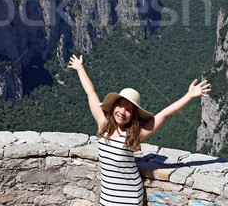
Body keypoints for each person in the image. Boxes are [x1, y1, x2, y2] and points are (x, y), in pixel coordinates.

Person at [67, 54, 211, 206]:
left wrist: (189, 95)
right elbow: (91, 92)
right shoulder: (103, 125)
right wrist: (80, 68)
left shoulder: (132, 135)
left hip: (129, 197)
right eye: (120, 106)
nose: (122, 112)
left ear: (133, 115)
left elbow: (165, 114)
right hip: (107, 197)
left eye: (128, 110)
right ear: (113, 106)